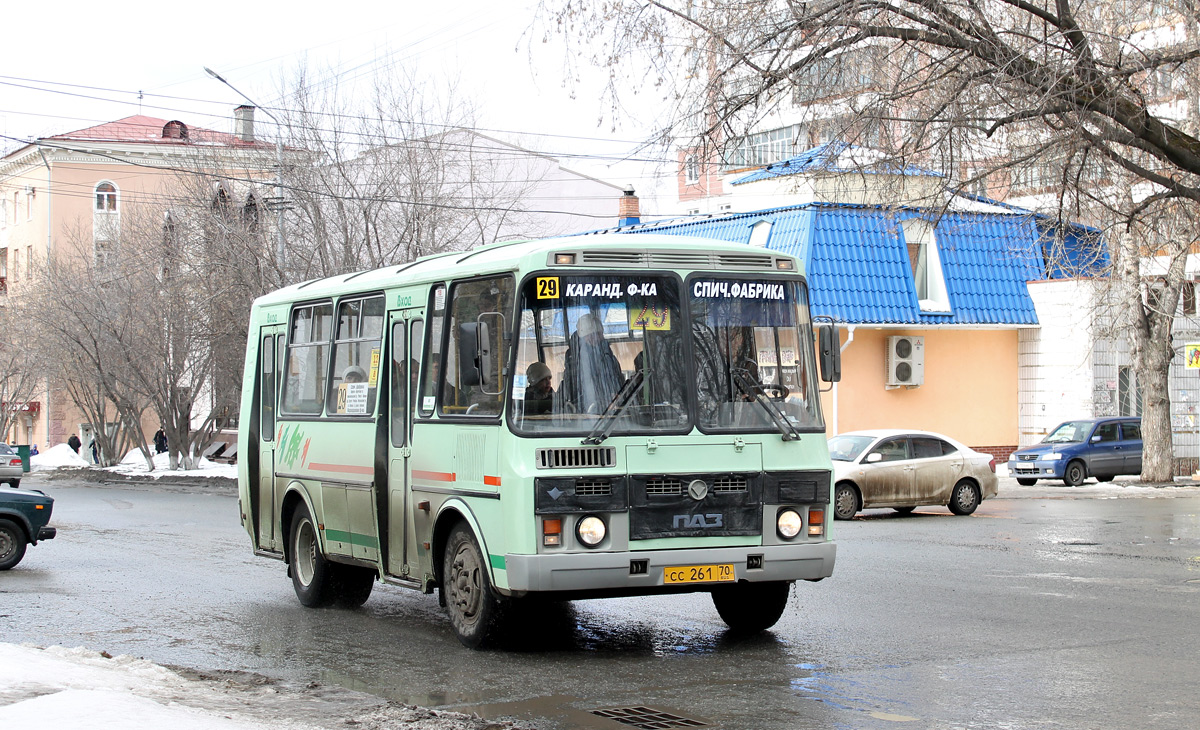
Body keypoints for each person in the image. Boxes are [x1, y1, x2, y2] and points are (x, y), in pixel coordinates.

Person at [559, 313, 623, 414]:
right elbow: (574, 385)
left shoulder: (607, 354)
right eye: (595, 334)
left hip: (609, 407)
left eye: (600, 334)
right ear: (585, 337)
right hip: (584, 409)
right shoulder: (575, 358)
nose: (600, 337)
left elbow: (617, 377)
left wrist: (617, 392)